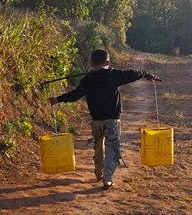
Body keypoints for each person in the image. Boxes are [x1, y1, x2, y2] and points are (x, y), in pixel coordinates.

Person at [49, 49, 160, 189]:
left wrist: (57, 99)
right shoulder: (115, 75)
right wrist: (147, 75)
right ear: (108, 62)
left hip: (96, 121)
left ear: (91, 64)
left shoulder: (88, 79)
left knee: (98, 147)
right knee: (111, 148)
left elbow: (75, 95)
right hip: (112, 120)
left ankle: (98, 172)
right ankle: (107, 178)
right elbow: (135, 73)